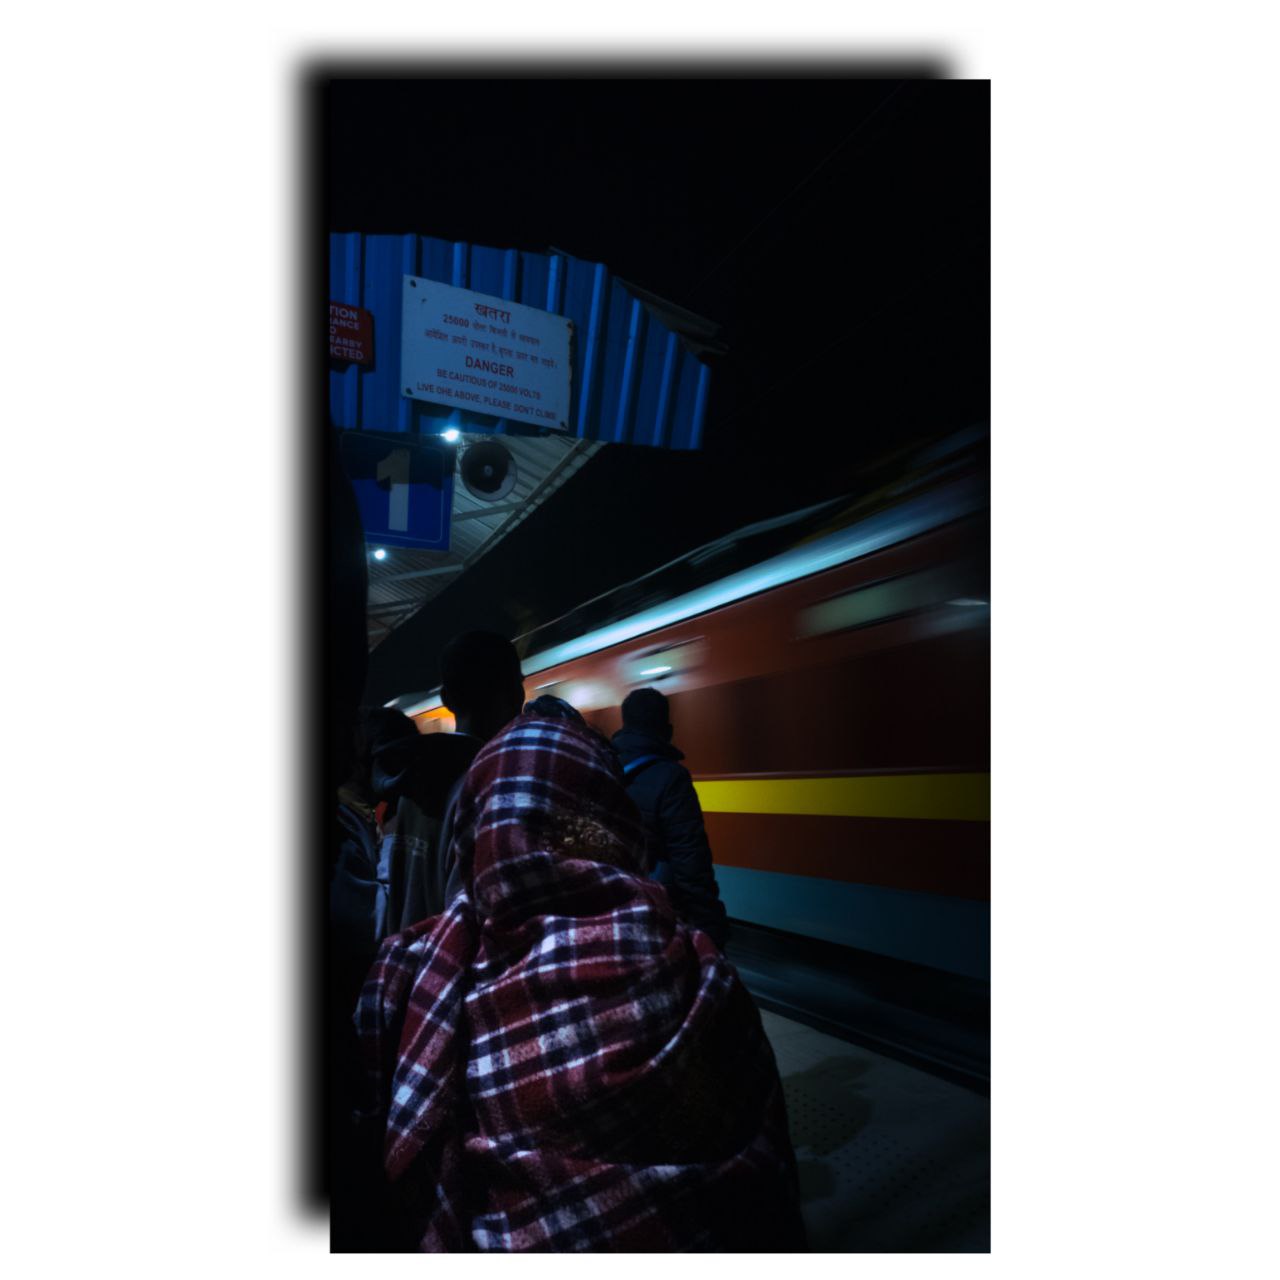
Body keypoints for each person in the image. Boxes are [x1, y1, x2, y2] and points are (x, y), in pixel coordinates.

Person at [352, 704, 806, 1252]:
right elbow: (768, 1180)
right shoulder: (703, 973)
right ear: (613, 818)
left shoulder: (413, 979)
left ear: (476, 828)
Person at [612, 687, 730, 949]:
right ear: (667, 730)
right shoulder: (672, 777)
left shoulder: (604, 767)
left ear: (625, 724)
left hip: (616, 905)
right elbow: (690, 859)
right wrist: (711, 927)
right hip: (659, 913)